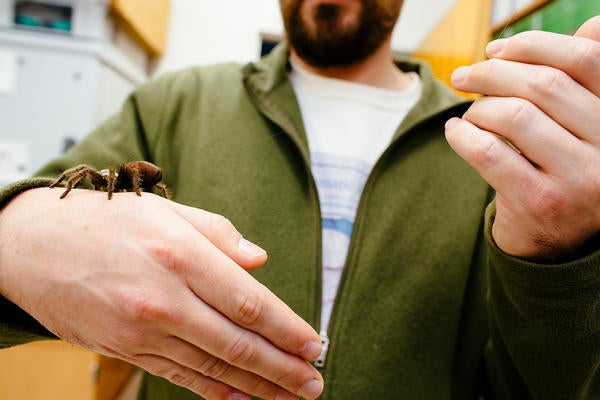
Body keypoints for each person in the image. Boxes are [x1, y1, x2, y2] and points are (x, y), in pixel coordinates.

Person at [0, 0, 598, 399]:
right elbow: (42, 209)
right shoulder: (172, 106)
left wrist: (562, 257)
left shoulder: (494, 143)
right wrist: (14, 237)